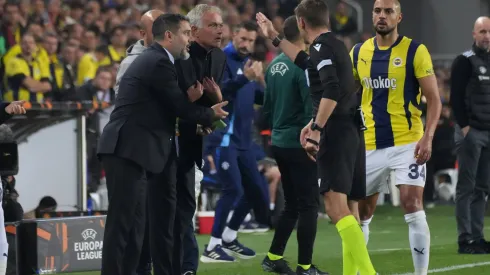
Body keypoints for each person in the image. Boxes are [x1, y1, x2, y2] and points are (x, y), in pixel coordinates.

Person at [97, 13, 229, 275]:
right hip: (126, 149)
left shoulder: (158, 60)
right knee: (122, 225)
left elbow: (167, 109)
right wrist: (210, 114)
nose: (189, 40)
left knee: (134, 226)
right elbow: (179, 106)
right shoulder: (158, 61)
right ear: (169, 36)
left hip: (135, 151)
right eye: (184, 34)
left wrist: (198, 115)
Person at [256, 0, 378, 273]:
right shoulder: (332, 45)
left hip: (335, 133)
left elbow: (332, 90)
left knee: (336, 211)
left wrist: (317, 129)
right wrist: (273, 37)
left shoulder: (321, 47)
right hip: (351, 130)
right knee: (349, 209)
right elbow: (304, 63)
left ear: (301, 23)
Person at [350, 1, 441, 274]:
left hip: (407, 142)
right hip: (368, 144)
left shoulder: (415, 51)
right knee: (362, 215)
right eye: (377, 10)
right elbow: (348, 95)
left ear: (398, 17)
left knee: (412, 205)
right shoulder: (358, 52)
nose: (382, 16)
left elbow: (435, 100)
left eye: (388, 11)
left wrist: (428, 137)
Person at [259, 15, 327, 275]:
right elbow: (312, 107)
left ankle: (273, 256)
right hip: (300, 143)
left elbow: (266, 108)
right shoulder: (303, 66)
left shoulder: (274, 65)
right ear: (302, 31)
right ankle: (305, 267)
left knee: (292, 205)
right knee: (309, 204)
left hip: (278, 141)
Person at [199, 21, 268, 263]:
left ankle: (229, 236)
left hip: (244, 140)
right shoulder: (221, 59)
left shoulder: (247, 64)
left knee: (255, 190)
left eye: (251, 40)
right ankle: (212, 246)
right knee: (233, 189)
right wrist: (245, 78)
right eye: (243, 39)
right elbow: (217, 92)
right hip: (224, 137)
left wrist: (260, 82)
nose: (246, 44)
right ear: (234, 35)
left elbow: (257, 97)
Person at [173, 4, 226, 275]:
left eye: (220, 24)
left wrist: (210, 116)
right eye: (213, 25)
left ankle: (186, 267)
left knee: (186, 211)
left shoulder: (218, 59)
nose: (220, 30)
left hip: (194, 146)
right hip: (168, 144)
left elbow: (217, 110)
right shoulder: (178, 58)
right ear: (193, 31)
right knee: (172, 212)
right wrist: (204, 112)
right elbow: (171, 105)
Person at [112, 9, 164, 275]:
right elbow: (125, 104)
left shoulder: (171, 58)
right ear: (143, 33)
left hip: (155, 147)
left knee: (144, 218)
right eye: (158, 27)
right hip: (132, 146)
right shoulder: (131, 64)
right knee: (127, 219)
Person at [450, 16, 490, 254]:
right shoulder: (464, 61)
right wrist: (465, 128)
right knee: (466, 187)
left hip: (488, 132)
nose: (486, 36)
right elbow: (455, 97)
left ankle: (478, 237)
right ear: (474, 34)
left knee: (482, 188)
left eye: (489, 32)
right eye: (482, 31)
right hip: (471, 132)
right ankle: (465, 239)